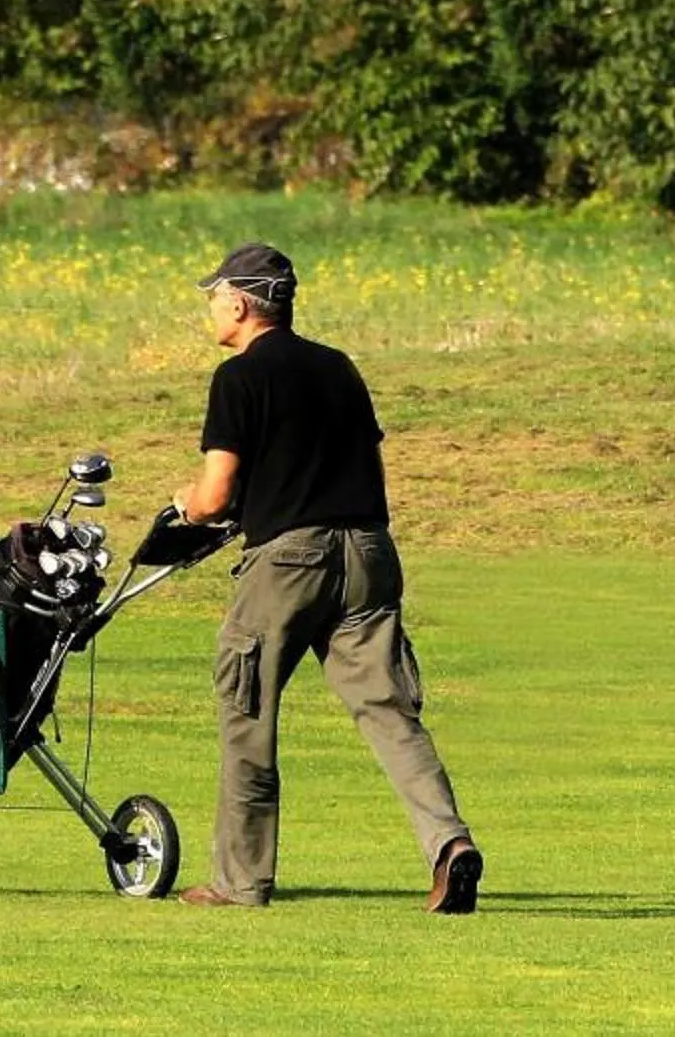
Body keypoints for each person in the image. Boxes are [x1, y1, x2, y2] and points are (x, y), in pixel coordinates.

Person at [168, 241, 481, 913]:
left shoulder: (238, 378)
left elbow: (215, 497)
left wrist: (185, 506)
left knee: (248, 710)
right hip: (369, 552)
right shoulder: (339, 367)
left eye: (215, 298)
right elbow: (364, 463)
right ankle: (450, 843)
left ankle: (240, 882)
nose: (211, 310)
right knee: (390, 712)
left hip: (287, 562)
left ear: (240, 304)